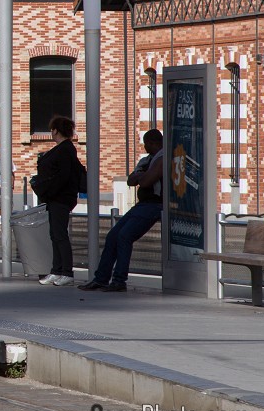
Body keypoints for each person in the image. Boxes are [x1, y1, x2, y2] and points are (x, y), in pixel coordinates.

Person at [80, 130, 165, 293]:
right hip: (142, 204)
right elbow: (130, 180)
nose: (145, 147)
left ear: (153, 143)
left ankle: (119, 280)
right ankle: (101, 279)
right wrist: (142, 176)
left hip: (155, 204)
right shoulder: (146, 160)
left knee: (124, 236)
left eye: (146, 143)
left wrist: (142, 176)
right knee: (113, 235)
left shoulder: (162, 158)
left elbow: (146, 181)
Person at [33, 115, 81, 287]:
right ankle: (57, 270)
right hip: (55, 197)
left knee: (60, 234)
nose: (51, 132)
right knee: (55, 234)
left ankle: (66, 271)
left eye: (52, 129)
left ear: (56, 130)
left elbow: (63, 175)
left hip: (60, 197)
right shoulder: (63, 148)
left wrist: (48, 189)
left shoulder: (65, 149)